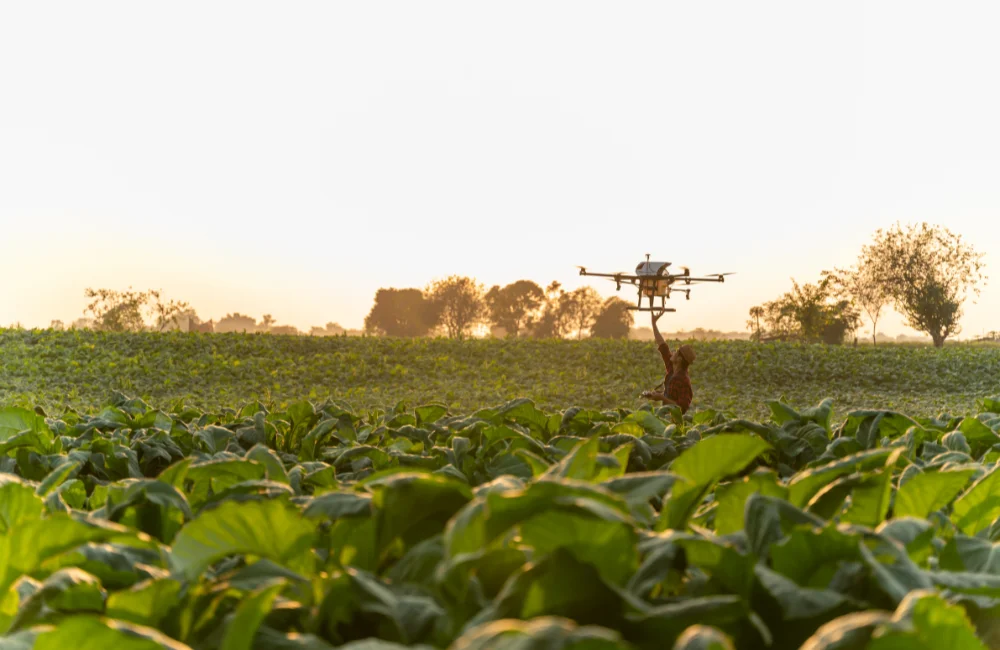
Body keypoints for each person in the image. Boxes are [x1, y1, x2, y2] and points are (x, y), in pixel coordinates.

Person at [640, 310, 695, 413]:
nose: (673, 352)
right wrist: (654, 324)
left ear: (679, 359)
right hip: (665, 415)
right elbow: (662, 345)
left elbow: (681, 408)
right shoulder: (672, 368)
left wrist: (662, 398)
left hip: (675, 420)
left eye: (676, 352)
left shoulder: (683, 380)